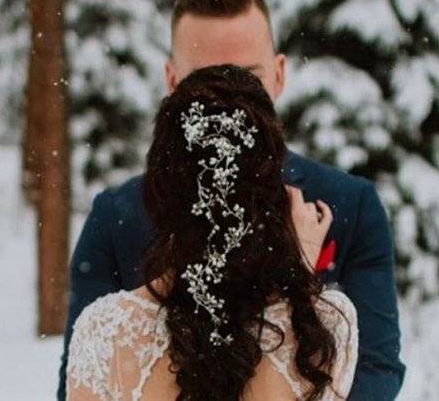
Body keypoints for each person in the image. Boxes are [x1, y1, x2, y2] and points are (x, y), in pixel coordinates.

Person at [57, 0, 404, 400]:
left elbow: (376, 369)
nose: (229, 101)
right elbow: (84, 374)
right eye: (204, 82)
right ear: (172, 84)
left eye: (247, 78)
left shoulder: (351, 204)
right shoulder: (116, 215)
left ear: (278, 75)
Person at [67, 64, 358, 401]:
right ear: (272, 197)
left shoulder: (105, 334)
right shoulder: (327, 326)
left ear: (159, 193)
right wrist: (299, 265)